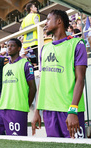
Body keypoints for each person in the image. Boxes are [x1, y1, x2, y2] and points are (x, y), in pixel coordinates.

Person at [31, 9, 87, 138]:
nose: (45, 23)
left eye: (48, 20)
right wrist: (37, 111)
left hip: (69, 110)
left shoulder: (77, 44)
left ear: (59, 21)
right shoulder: (45, 48)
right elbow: (42, 82)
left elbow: (80, 79)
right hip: (49, 111)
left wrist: (73, 110)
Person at [0, 38, 36, 136]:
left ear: (19, 48)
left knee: (17, 142)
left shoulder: (25, 64)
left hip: (17, 109)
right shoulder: (6, 67)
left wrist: (25, 106)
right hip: (1, 107)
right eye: (7, 46)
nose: (9, 48)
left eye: (12, 46)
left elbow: (32, 88)